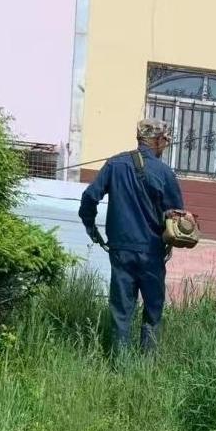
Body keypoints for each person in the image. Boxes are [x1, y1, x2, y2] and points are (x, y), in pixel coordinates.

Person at [79, 118, 185, 353]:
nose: (165, 146)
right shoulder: (164, 172)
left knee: (121, 310)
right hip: (152, 251)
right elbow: (177, 215)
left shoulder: (114, 164)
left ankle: (120, 363)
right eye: (165, 141)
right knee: (153, 310)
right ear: (157, 140)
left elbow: (90, 197)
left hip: (121, 250)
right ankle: (146, 363)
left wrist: (91, 227)